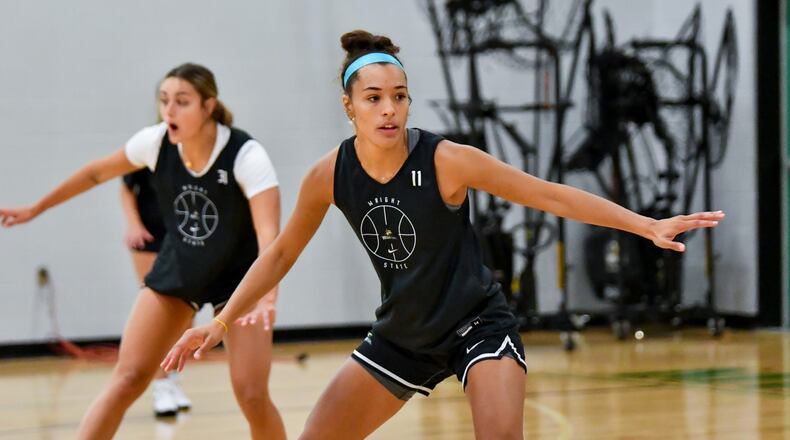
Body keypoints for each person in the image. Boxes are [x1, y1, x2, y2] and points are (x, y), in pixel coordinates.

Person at [161, 31, 725, 440]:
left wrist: (645, 224)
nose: (390, 109)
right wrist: (221, 322)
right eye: (374, 97)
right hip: (403, 334)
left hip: (476, 326)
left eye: (400, 95)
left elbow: (549, 194)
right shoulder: (329, 174)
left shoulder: (447, 160)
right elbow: (280, 252)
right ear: (349, 107)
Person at [0, 63, 286, 440]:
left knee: (251, 394)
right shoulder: (154, 142)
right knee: (128, 377)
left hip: (239, 281)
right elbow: (95, 173)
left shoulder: (246, 155)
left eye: (182, 101)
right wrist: (37, 207)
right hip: (181, 269)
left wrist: (267, 294)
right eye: (164, 100)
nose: (169, 110)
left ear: (208, 106)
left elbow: (270, 235)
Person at [119, 168, 192, 418]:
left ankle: (172, 379)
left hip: (186, 237)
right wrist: (133, 224)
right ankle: (160, 387)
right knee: (158, 312)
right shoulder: (151, 147)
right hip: (150, 237)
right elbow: (125, 187)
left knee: (186, 313)